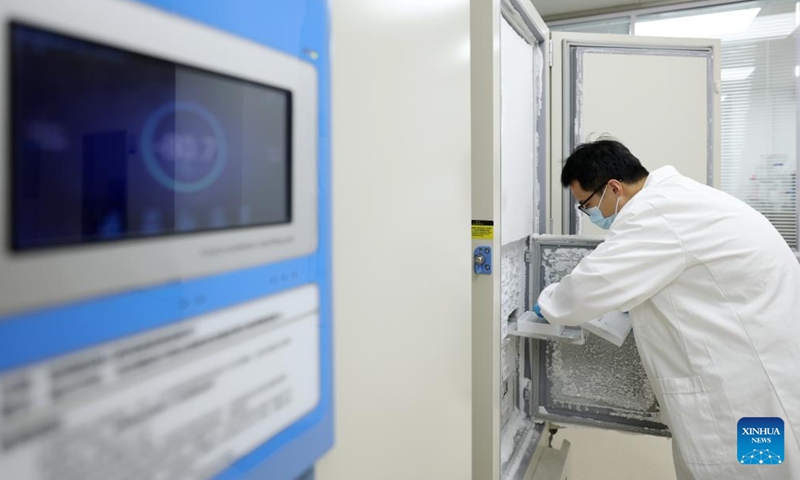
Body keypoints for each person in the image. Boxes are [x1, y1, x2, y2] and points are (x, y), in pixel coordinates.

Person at [533, 139, 800, 479]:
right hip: (761, 377)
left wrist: (548, 304)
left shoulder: (655, 215)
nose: (590, 215)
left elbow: (592, 284)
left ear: (613, 188)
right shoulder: (680, 199)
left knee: (749, 470)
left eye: (586, 206)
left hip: (742, 395)